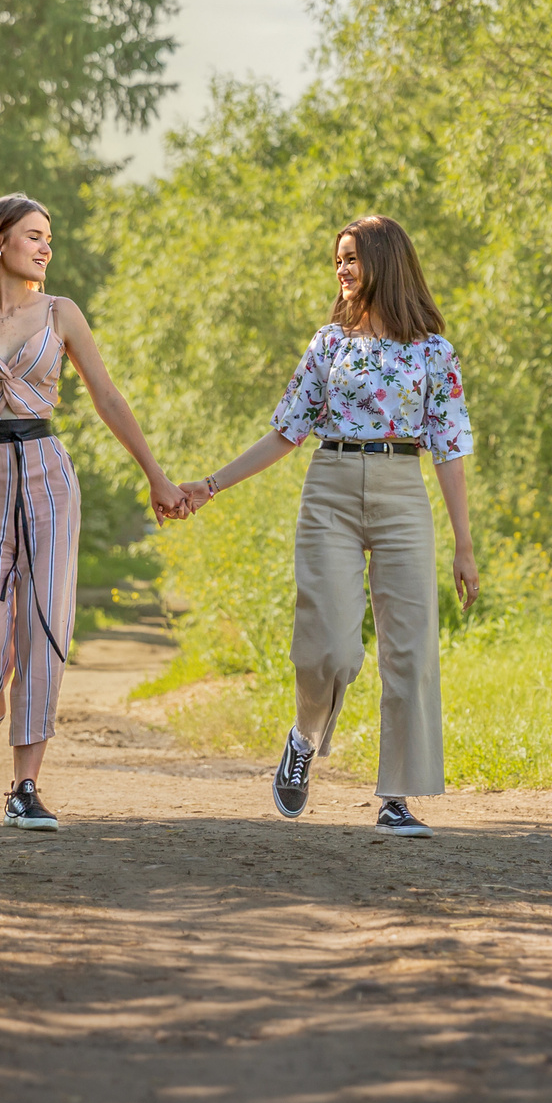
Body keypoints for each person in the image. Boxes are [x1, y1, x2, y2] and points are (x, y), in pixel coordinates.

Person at [179, 214, 477, 837]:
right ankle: (304, 737)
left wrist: (464, 547)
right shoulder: (328, 345)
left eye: (351, 258)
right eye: (337, 259)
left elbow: (449, 448)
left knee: (411, 649)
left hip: (403, 494)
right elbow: (287, 431)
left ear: (384, 264)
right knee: (328, 649)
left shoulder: (433, 353)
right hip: (331, 490)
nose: (341, 270)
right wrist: (209, 486)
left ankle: (396, 796)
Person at [0, 194, 187, 830]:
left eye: (49, 237)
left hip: (46, 474)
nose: (45, 247)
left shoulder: (62, 314)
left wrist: (156, 474)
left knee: (43, 625)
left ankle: (25, 787)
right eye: (34, 235)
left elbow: (108, 398)